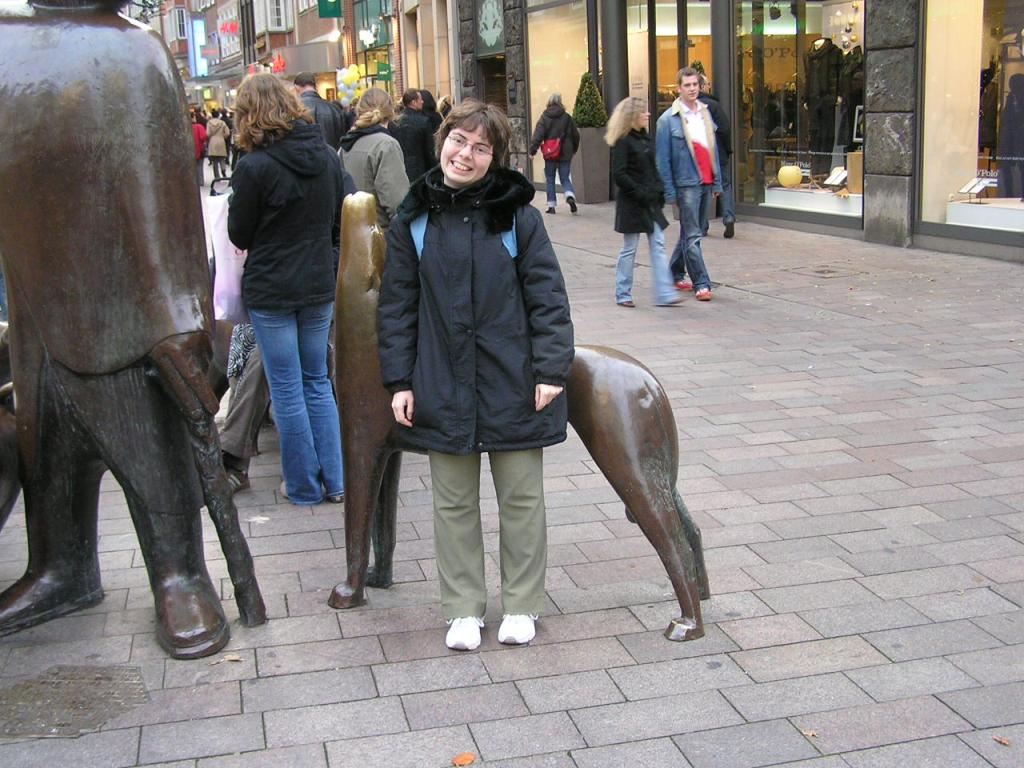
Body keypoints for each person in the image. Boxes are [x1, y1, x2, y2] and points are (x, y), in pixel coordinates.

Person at [378, 99, 574, 651]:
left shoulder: (518, 218)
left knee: (521, 499)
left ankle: (522, 602)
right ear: (442, 141)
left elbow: (548, 298)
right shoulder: (413, 220)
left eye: (480, 147)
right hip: (441, 380)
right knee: (453, 501)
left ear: (496, 157)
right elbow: (397, 307)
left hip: (512, 379)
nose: (465, 154)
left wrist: (550, 369)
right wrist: (400, 381)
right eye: (458, 141)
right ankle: (463, 608)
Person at [227, 73, 345, 506]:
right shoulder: (327, 157)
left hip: (272, 288)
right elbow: (337, 222)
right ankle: (337, 481)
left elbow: (239, 233)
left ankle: (302, 486)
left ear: (249, 114)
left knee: (288, 388)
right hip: (317, 283)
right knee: (317, 381)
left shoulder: (254, 166)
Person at [656, 66, 721, 302]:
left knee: (692, 232)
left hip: (706, 181)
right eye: (688, 85)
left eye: (695, 84)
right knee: (693, 235)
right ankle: (701, 283)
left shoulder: (705, 113)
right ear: (679, 88)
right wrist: (669, 191)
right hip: (686, 184)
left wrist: (717, 182)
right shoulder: (667, 120)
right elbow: (662, 160)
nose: (693, 89)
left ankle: (673, 273)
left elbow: (713, 149)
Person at [606, 97, 678, 308]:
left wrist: (659, 188)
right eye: (643, 112)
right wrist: (639, 191)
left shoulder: (646, 139)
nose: (648, 114)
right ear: (633, 116)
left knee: (658, 244)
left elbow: (653, 168)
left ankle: (665, 293)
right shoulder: (623, 141)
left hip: (650, 201)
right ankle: (623, 292)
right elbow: (619, 174)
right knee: (630, 247)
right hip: (633, 203)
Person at [339, 87, 409, 228]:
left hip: (352, 232)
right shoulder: (386, 145)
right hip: (380, 232)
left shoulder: (345, 146)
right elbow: (397, 203)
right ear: (391, 111)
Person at [529, 93, 580, 214]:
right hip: (566, 152)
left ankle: (551, 206)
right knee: (565, 178)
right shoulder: (567, 117)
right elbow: (576, 135)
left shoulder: (544, 117)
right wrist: (574, 149)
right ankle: (569, 194)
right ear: (560, 102)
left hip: (550, 152)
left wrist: (532, 151)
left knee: (550, 178)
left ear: (549, 102)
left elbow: (538, 136)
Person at [391, 88, 437, 183]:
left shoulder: (394, 122)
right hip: (419, 170)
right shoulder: (423, 121)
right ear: (413, 102)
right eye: (420, 99)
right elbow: (429, 150)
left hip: (399, 168)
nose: (422, 101)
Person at [294, 71, 343, 150]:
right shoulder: (334, 109)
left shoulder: (294, 111)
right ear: (315, 86)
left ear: (296, 87)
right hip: (332, 155)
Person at [206, 108, 230, 179]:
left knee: (215, 161)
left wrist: (211, 136)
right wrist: (223, 136)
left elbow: (208, 133)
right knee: (222, 158)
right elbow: (227, 132)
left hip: (213, 141)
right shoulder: (222, 123)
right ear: (218, 115)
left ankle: (217, 176)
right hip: (221, 140)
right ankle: (223, 170)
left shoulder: (209, 123)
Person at [190, 111, 207, 187]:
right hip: (199, 149)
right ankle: (200, 181)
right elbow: (203, 137)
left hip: (189, 151)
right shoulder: (199, 127)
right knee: (199, 166)